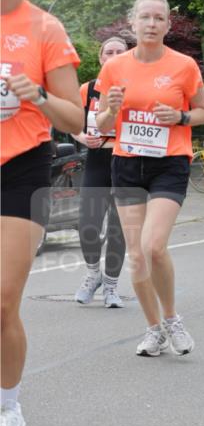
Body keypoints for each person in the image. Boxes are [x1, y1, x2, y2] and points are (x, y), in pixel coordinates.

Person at [1, 0, 83, 426]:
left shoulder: (46, 29)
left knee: (3, 300)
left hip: (21, 168)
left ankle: (7, 405)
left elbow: (75, 118)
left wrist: (35, 97)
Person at [95, 0, 204, 355]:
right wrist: (111, 110)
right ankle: (153, 328)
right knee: (137, 254)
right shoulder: (114, 66)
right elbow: (100, 125)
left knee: (154, 246)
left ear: (167, 25)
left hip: (169, 163)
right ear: (133, 22)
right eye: (144, 17)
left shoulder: (183, 65)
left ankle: (173, 318)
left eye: (158, 18)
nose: (151, 23)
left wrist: (179, 116)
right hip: (127, 162)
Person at [72, 36, 129, 307]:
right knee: (88, 225)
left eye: (120, 51)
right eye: (109, 51)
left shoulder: (138, 88)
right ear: (101, 58)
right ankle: (93, 274)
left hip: (126, 162)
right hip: (96, 161)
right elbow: (71, 121)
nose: (114, 55)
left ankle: (111, 287)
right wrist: (82, 138)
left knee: (119, 229)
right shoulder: (88, 89)